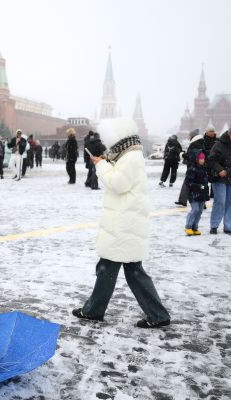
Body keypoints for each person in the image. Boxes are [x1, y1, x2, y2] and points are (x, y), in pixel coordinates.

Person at [72, 118, 170, 328]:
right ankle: (154, 314)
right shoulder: (128, 154)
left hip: (124, 223)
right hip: (126, 221)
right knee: (122, 269)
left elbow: (118, 184)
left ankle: (96, 311)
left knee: (116, 268)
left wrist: (101, 166)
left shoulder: (130, 157)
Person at [175, 129, 203, 206]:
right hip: (199, 169)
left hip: (193, 168)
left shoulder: (194, 144)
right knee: (198, 184)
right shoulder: (201, 142)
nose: (189, 137)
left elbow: (192, 155)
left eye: (190, 136)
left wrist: (183, 155)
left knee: (188, 183)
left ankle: (183, 200)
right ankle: (201, 203)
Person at [184, 152, 210, 235]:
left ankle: (195, 227)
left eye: (203, 158)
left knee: (200, 211)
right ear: (197, 159)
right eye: (201, 158)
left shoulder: (205, 167)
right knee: (195, 209)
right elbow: (188, 182)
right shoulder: (192, 168)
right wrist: (198, 186)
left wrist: (205, 189)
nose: (202, 160)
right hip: (193, 193)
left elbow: (206, 180)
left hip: (203, 193)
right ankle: (188, 226)